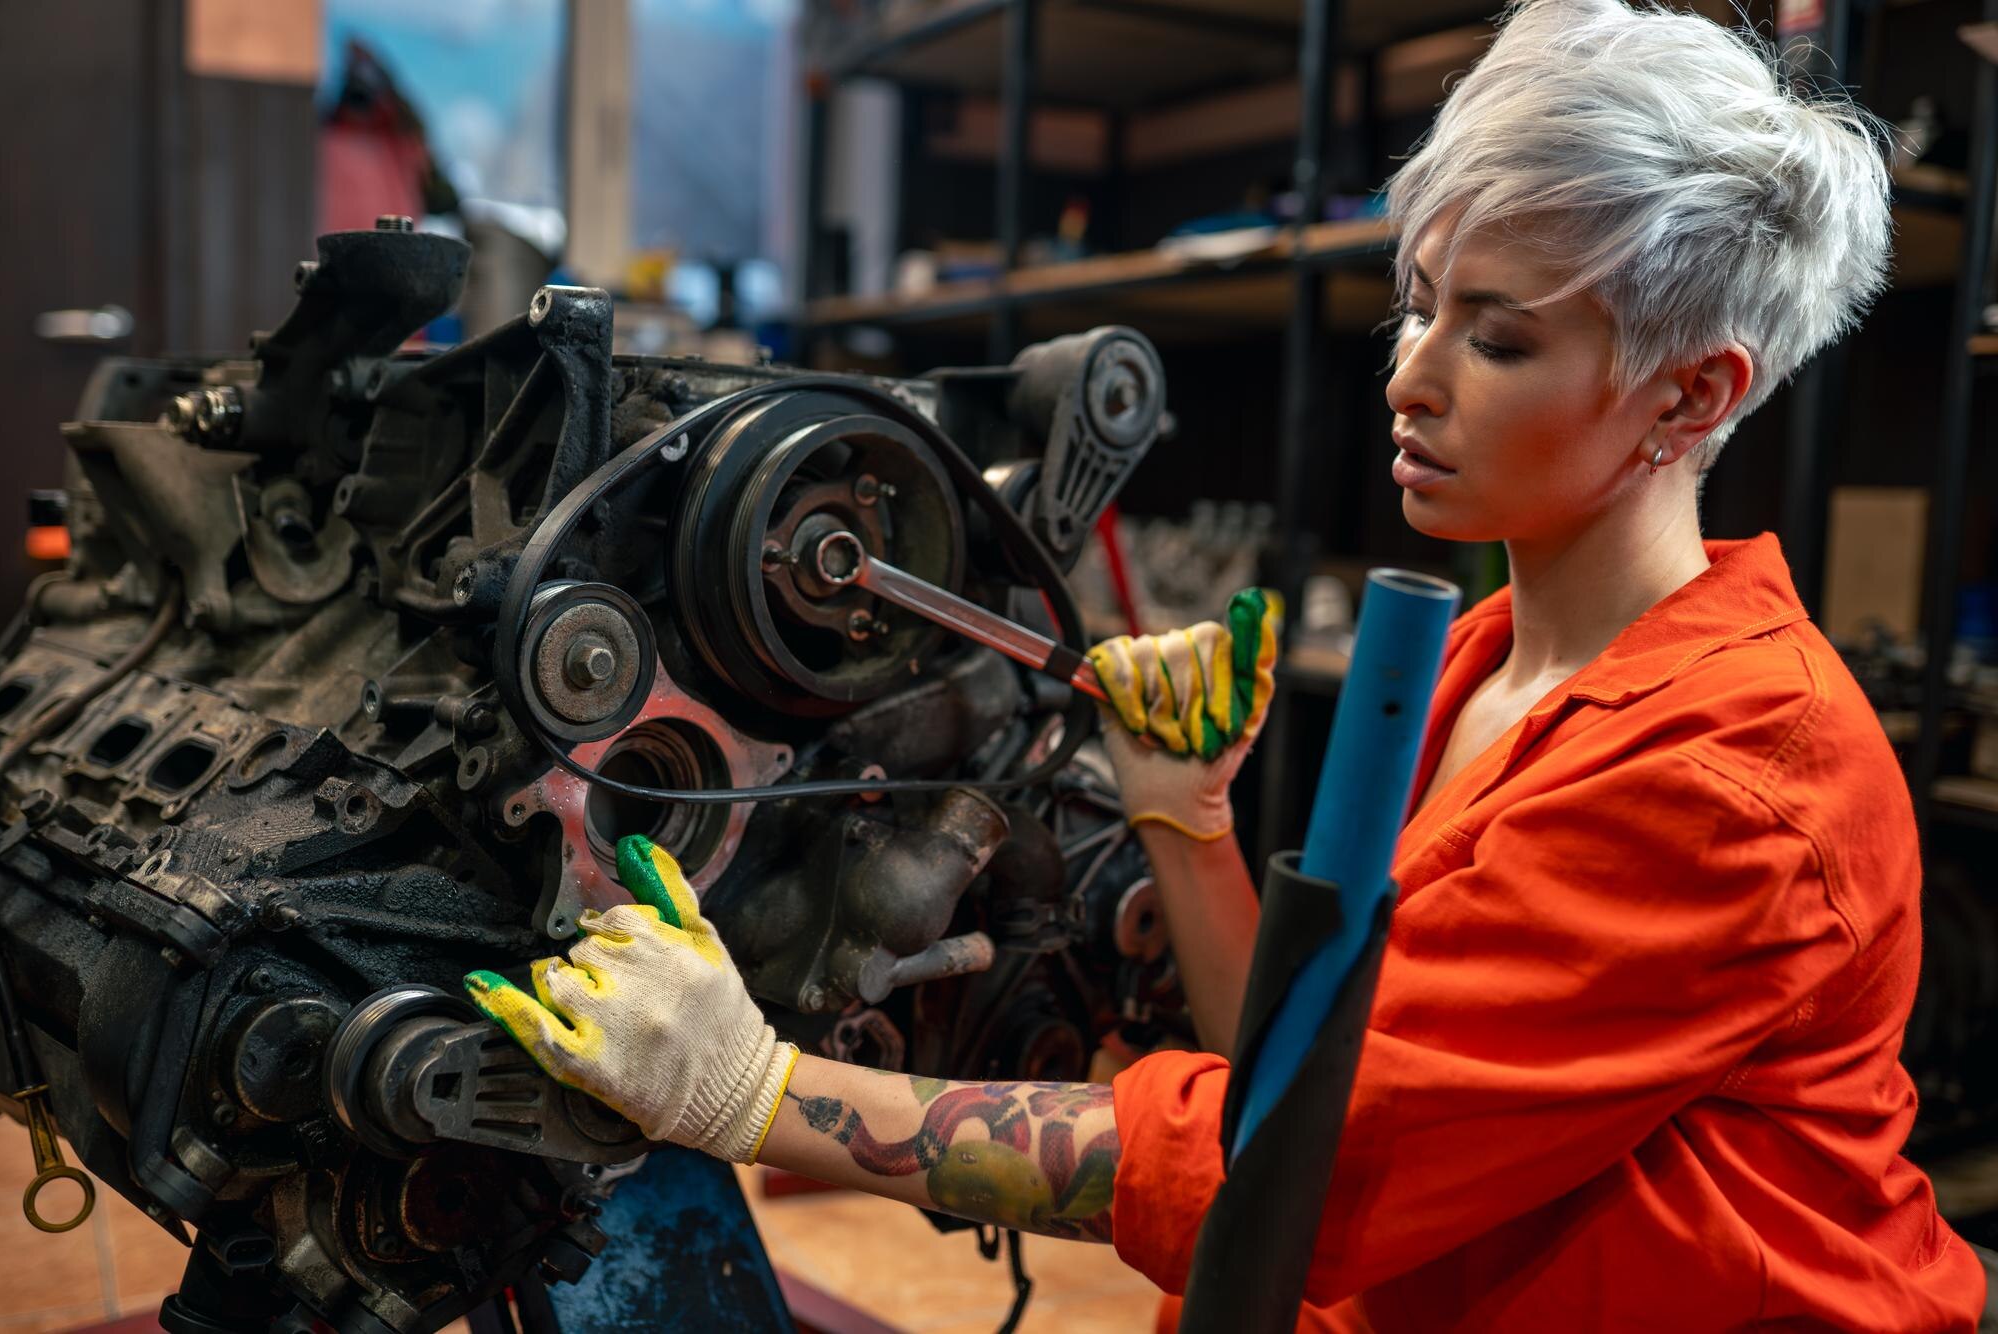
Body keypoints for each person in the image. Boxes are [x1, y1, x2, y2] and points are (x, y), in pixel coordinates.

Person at [462, 0, 1995, 1326]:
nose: (1411, 371)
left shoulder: (1731, 775)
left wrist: (764, 1098)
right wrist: (1188, 818)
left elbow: (1304, 1173)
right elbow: (1313, 1072)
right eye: (1416, 305)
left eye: (1499, 338)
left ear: (1690, 394)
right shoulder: (1484, 663)